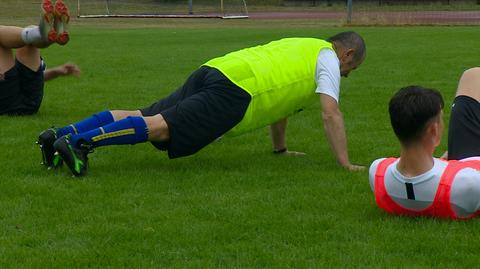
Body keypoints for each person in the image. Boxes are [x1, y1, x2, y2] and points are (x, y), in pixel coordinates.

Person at [38, 32, 366, 176]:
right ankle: (79, 143)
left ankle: (58, 135)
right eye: (349, 70)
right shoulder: (327, 59)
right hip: (236, 91)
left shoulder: (304, 46)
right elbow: (330, 113)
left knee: (144, 114)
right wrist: (344, 163)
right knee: (162, 128)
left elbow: (280, 108)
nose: (345, 76)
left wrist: (280, 150)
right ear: (347, 54)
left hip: (217, 69)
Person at [369, 71, 480, 220]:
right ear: (434, 131)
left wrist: (442, 164)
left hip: (453, 168)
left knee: (472, 75)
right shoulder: (468, 184)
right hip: (466, 166)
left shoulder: (377, 171)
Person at [0, 0, 80, 116]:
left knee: (30, 41)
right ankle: (40, 33)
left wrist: (56, 72)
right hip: (13, 103)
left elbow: (37, 77)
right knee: (26, 34)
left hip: (27, 103)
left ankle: (42, 33)